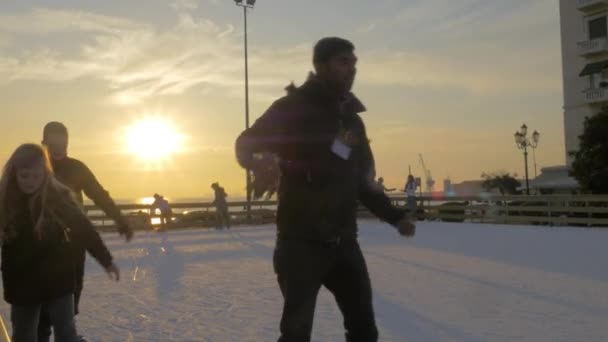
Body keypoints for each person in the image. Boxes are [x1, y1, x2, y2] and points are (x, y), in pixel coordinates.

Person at [235, 37, 416, 342]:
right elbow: (246, 142)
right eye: (343, 62)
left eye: (354, 62)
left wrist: (395, 217)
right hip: (300, 245)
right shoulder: (291, 108)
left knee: (364, 331)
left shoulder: (353, 123)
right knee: (296, 334)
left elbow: (364, 182)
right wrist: (257, 163)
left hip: (344, 244)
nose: (352, 69)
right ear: (321, 66)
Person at [0, 144, 120, 342]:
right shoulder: (5, 201)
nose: (30, 182)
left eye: (36, 176)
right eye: (24, 176)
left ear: (45, 174)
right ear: (14, 173)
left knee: (66, 334)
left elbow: (84, 229)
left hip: (58, 279)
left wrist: (106, 260)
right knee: (24, 335)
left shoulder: (57, 197)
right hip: (22, 283)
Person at [40, 122, 132, 341]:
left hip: (74, 241)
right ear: (44, 142)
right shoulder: (35, 168)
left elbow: (99, 194)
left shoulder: (77, 168)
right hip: (41, 244)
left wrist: (119, 219)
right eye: (53, 141)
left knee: (71, 295)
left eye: (62, 140)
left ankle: (67, 335)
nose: (59, 145)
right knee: (41, 302)